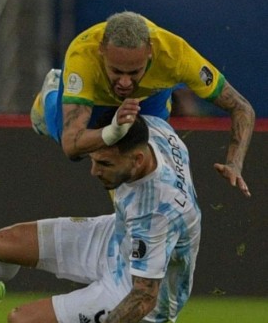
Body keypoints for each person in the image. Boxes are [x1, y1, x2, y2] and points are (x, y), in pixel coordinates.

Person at [0, 101, 204, 323]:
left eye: (105, 164)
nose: (94, 171)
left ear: (139, 160)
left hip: (136, 288)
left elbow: (144, 297)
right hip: (116, 237)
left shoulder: (155, 212)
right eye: (93, 159)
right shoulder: (156, 130)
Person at [30, 11, 254, 198]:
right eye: (116, 71)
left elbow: (242, 107)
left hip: (149, 99)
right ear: (101, 51)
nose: (126, 83)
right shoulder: (82, 56)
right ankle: (51, 93)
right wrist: (112, 131)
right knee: (74, 147)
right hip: (94, 97)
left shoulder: (177, 55)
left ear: (150, 53)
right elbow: (71, 146)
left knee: (143, 158)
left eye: (134, 71)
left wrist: (235, 163)